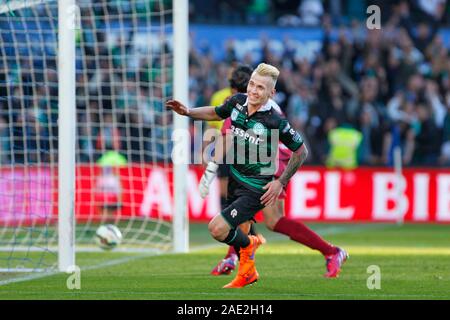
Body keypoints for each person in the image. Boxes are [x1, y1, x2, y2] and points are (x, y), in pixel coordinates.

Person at [167, 63, 347, 288]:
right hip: (252, 164)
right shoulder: (238, 104)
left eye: (258, 87)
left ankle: (331, 252)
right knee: (249, 214)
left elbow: (283, 149)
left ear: (268, 92)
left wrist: (278, 182)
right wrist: (188, 113)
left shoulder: (273, 117)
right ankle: (237, 256)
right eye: (250, 86)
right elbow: (223, 126)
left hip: (274, 164)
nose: (250, 92)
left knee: (271, 219)